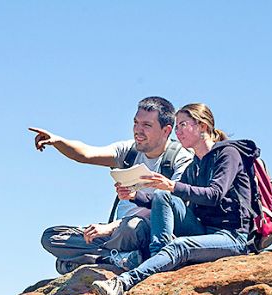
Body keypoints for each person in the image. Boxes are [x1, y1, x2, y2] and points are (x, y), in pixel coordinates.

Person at [89, 103, 258, 295]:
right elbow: (171, 197)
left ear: (203, 126)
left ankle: (125, 282)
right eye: (176, 127)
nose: (177, 132)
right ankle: (157, 260)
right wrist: (135, 196)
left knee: (180, 244)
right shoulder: (195, 165)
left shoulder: (228, 154)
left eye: (183, 125)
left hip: (232, 237)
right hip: (203, 231)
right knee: (163, 196)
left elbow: (214, 194)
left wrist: (171, 185)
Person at [29, 97, 193, 274]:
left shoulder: (180, 158)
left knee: (131, 228)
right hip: (114, 235)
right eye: (135, 123)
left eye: (147, 125)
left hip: (144, 232)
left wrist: (111, 227)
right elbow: (86, 153)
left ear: (166, 130)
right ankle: (116, 258)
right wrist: (57, 141)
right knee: (51, 237)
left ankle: (94, 259)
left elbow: (174, 205)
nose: (138, 130)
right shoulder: (129, 151)